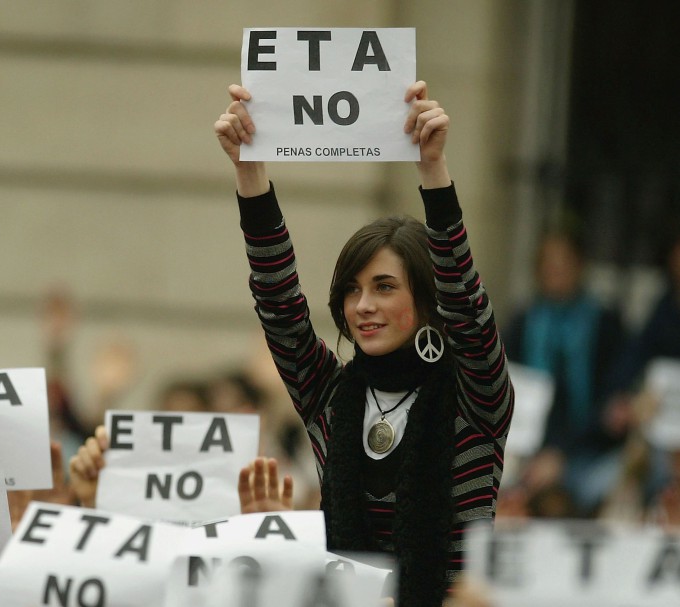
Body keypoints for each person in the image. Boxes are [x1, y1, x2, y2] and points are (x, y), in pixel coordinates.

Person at [214, 82, 512, 607]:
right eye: (352, 290)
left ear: (425, 298)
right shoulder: (330, 395)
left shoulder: (476, 396)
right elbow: (281, 309)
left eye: (384, 287)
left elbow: (466, 305)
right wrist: (249, 173)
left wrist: (432, 170)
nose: (362, 306)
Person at [505, 230, 626, 515]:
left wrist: (561, 454)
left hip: (590, 451)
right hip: (529, 453)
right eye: (548, 263)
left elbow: (611, 404)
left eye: (564, 263)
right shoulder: (523, 324)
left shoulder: (605, 325)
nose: (555, 271)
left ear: (580, 266)